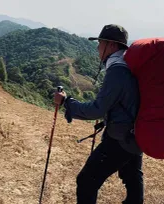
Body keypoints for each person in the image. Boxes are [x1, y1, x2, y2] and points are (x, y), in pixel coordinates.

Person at [54, 24, 144, 204]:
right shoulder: (128, 65)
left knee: (86, 181)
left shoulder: (117, 71)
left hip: (120, 139)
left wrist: (66, 102)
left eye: (100, 43)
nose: (97, 48)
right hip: (136, 135)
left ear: (111, 45)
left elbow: (97, 109)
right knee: (132, 180)